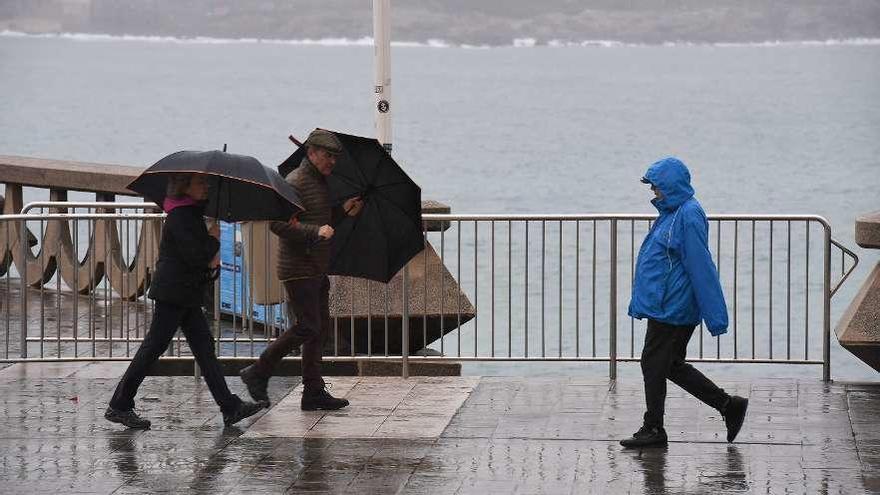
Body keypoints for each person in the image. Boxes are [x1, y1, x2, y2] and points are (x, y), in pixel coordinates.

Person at [105, 174, 265, 429]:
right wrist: (213, 238)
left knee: (205, 350)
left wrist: (210, 252)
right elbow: (195, 255)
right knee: (153, 349)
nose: (206, 187)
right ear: (185, 187)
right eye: (201, 183)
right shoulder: (181, 217)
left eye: (206, 183)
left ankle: (230, 407)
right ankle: (120, 404)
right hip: (174, 294)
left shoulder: (190, 214)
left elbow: (198, 257)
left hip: (186, 294)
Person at [621, 157, 748, 448]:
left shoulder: (688, 215)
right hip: (666, 304)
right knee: (669, 364)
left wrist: (716, 316)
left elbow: (700, 266)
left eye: (657, 184)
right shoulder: (673, 211)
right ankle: (728, 406)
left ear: (671, 184)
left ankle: (654, 428)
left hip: (673, 308)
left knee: (654, 363)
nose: (653, 189)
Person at [239, 129, 363, 410]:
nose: (332, 162)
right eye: (327, 156)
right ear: (311, 153)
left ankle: (313, 391)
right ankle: (258, 371)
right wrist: (315, 231)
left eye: (335, 157)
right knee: (307, 326)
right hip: (298, 268)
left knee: (318, 330)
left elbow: (321, 222)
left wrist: (344, 211)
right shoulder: (296, 182)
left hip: (316, 266)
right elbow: (278, 224)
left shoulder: (320, 182)